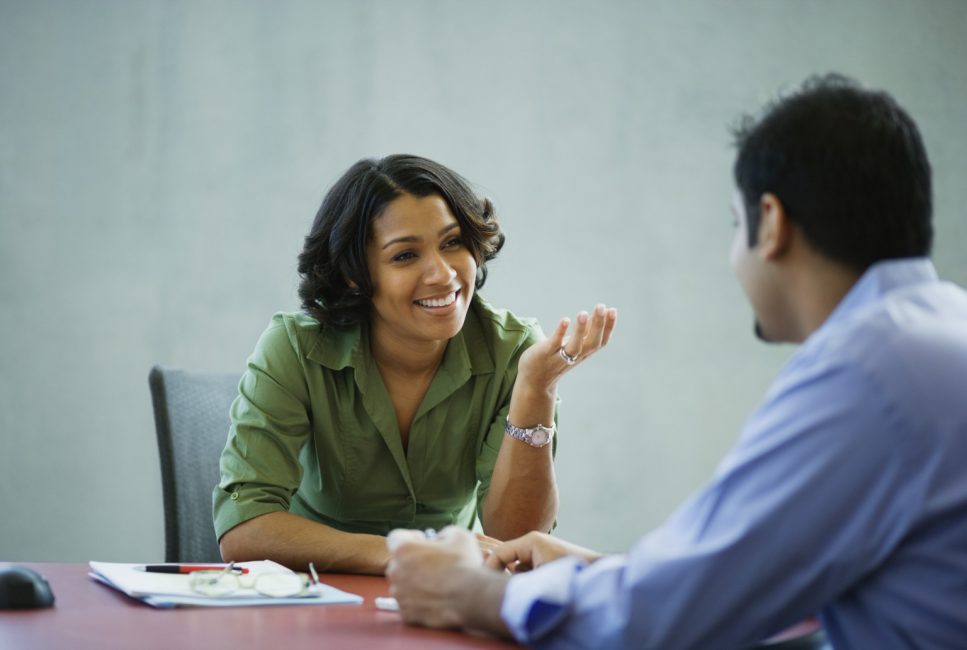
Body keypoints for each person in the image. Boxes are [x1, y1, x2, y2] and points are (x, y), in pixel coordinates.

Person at [385, 74, 967, 648]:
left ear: (771, 223)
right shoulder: (934, 335)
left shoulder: (864, 376)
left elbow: (674, 618)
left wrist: (468, 593)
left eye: (736, 224)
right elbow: (742, 577)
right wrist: (595, 573)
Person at [212, 154, 617, 574]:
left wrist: (536, 389)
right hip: (318, 590)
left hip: (454, 596)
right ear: (354, 275)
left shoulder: (514, 352)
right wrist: (406, 553)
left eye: (452, 242)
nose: (442, 274)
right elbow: (244, 529)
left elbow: (517, 542)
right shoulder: (294, 347)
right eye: (405, 255)